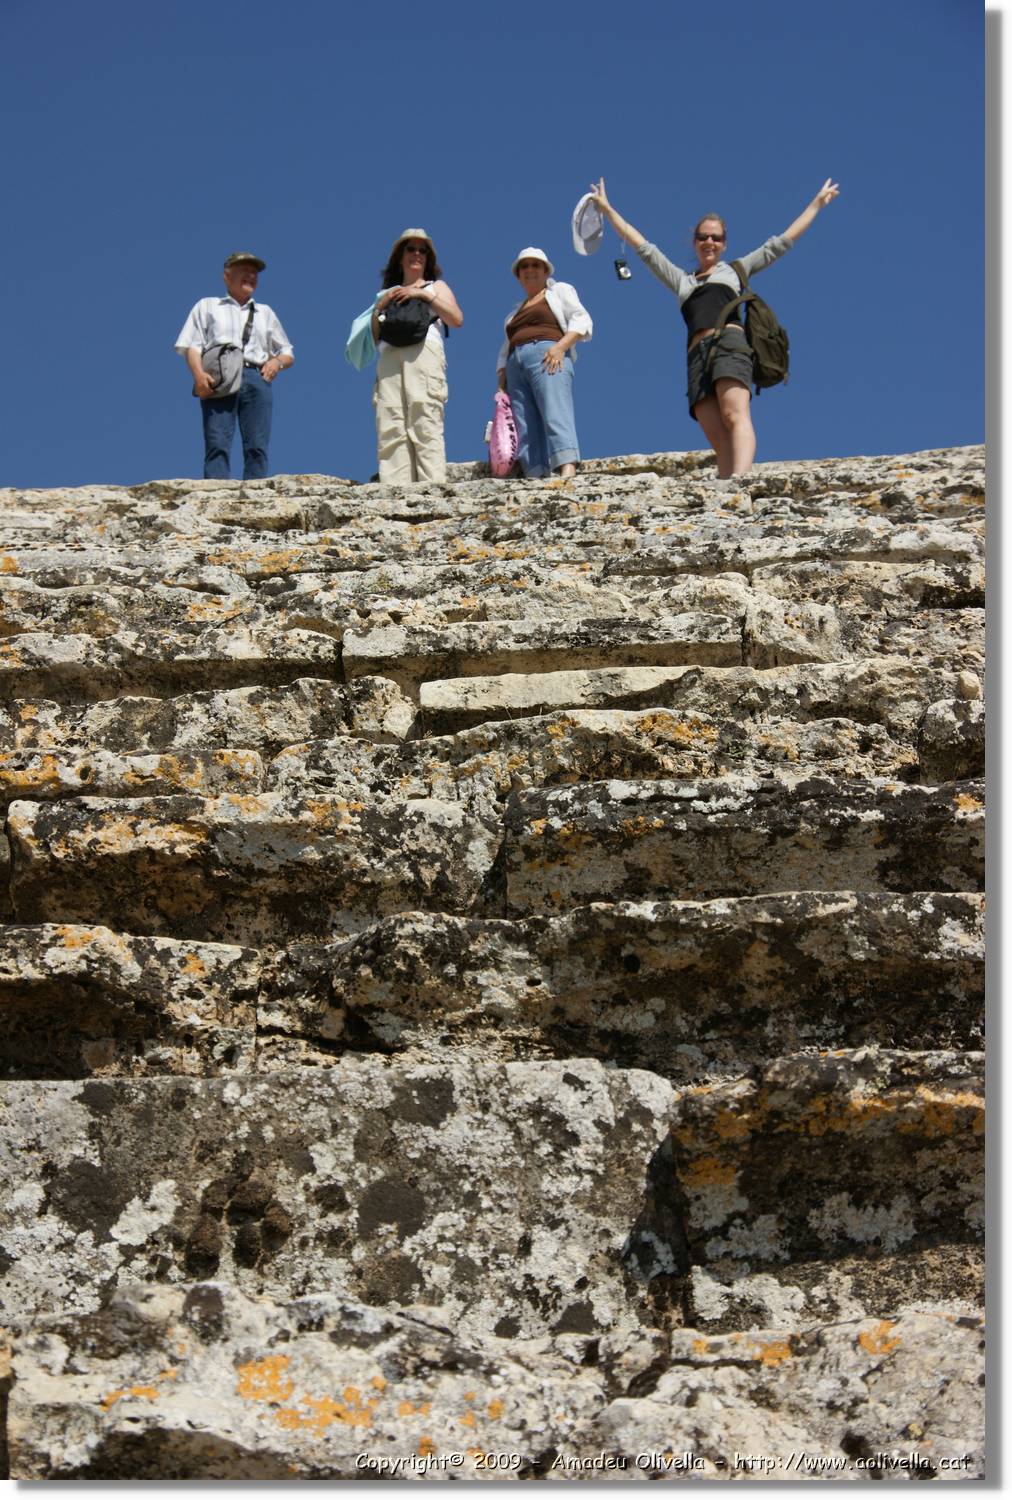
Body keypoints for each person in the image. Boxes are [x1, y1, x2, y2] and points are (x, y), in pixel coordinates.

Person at [589, 178, 840, 478]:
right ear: (695, 241)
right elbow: (644, 248)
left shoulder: (735, 270)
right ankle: (724, 488)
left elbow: (781, 243)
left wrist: (816, 204)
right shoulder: (683, 281)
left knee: (734, 413)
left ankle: (740, 480)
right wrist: (608, 209)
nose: (710, 242)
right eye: (704, 237)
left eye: (716, 238)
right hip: (697, 356)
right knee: (715, 433)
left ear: (724, 244)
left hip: (729, 344)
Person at [175, 253, 294, 480]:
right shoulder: (207, 306)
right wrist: (199, 376)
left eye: (254, 273)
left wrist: (276, 363)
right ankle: (216, 491)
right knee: (217, 440)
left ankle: (256, 492)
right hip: (219, 377)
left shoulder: (265, 313)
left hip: (255, 374)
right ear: (227, 276)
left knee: (257, 445)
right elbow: (192, 345)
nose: (251, 276)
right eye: (245, 270)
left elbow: (287, 352)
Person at [371, 229, 463, 483]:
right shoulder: (388, 293)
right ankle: (394, 489)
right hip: (389, 356)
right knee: (391, 420)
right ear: (400, 256)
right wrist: (380, 306)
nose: (417, 254)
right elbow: (374, 336)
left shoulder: (436, 286)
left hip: (424, 351)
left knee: (424, 416)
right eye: (411, 249)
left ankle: (431, 486)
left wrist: (422, 293)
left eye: (422, 250)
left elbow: (456, 319)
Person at [496, 248, 592, 479]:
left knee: (554, 410)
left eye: (535, 265)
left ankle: (566, 465)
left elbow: (581, 319)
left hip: (547, 354)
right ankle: (535, 472)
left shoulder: (559, 291)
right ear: (518, 274)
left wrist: (560, 347)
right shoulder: (514, 313)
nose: (530, 270)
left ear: (545, 271)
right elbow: (506, 346)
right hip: (515, 365)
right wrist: (502, 380)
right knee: (524, 421)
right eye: (525, 266)